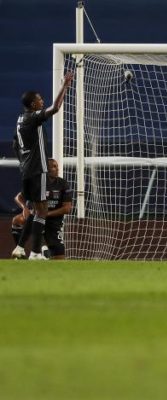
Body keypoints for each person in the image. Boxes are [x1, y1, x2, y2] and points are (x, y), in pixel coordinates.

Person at [14, 72, 74, 260]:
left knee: (37, 210)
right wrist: (64, 86)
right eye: (39, 100)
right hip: (37, 169)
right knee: (42, 210)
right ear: (33, 105)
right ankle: (35, 253)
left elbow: (15, 144)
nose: (42, 101)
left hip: (26, 170)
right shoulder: (32, 118)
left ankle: (20, 249)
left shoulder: (20, 119)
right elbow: (55, 108)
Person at [11, 159, 72, 259]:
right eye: (54, 166)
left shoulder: (63, 184)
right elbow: (18, 197)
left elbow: (67, 209)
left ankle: (39, 250)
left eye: (57, 166)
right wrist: (24, 208)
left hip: (54, 223)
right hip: (37, 218)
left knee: (60, 257)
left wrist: (45, 213)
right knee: (17, 220)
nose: (57, 169)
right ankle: (22, 252)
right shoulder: (38, 182)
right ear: (46, 169)